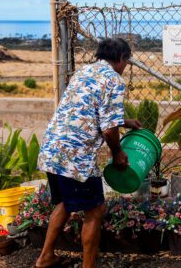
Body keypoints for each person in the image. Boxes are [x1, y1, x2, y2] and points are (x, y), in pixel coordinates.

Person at [35, 38, 142, 268]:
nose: (126, 67)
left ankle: (45, 257)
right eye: (127, 61)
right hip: (76, 158)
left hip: (53, 149)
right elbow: (108, 129)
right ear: (121, 58)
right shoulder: (114, 80)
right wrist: (118, 153)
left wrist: (126, 121)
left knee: (64, 203)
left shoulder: (84, 72)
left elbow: (89, 109)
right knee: (95, 210)